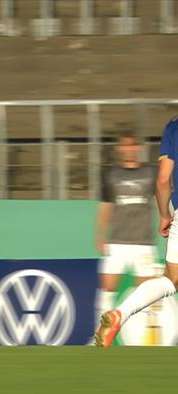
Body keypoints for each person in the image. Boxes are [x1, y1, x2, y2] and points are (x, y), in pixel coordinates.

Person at [96, 119, 178, 348]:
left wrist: (165, 215)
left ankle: (119, 315)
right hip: (120, 241)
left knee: (170, 280)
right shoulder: (112, 175)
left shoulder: (173, 127)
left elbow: (163, 181)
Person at [93, 134, 157, 339]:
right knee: (107, 291)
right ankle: (101, 337)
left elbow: (161, 198)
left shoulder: (151, 173)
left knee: (146, 295)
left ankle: (146, 342)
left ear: (138, 148)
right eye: (125, 146)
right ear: (120, 149)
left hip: (144, 243)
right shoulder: (110, 175)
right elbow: (105, 206)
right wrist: (100, 235)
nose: (129, 149)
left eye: (133, 145)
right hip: (117, 242)